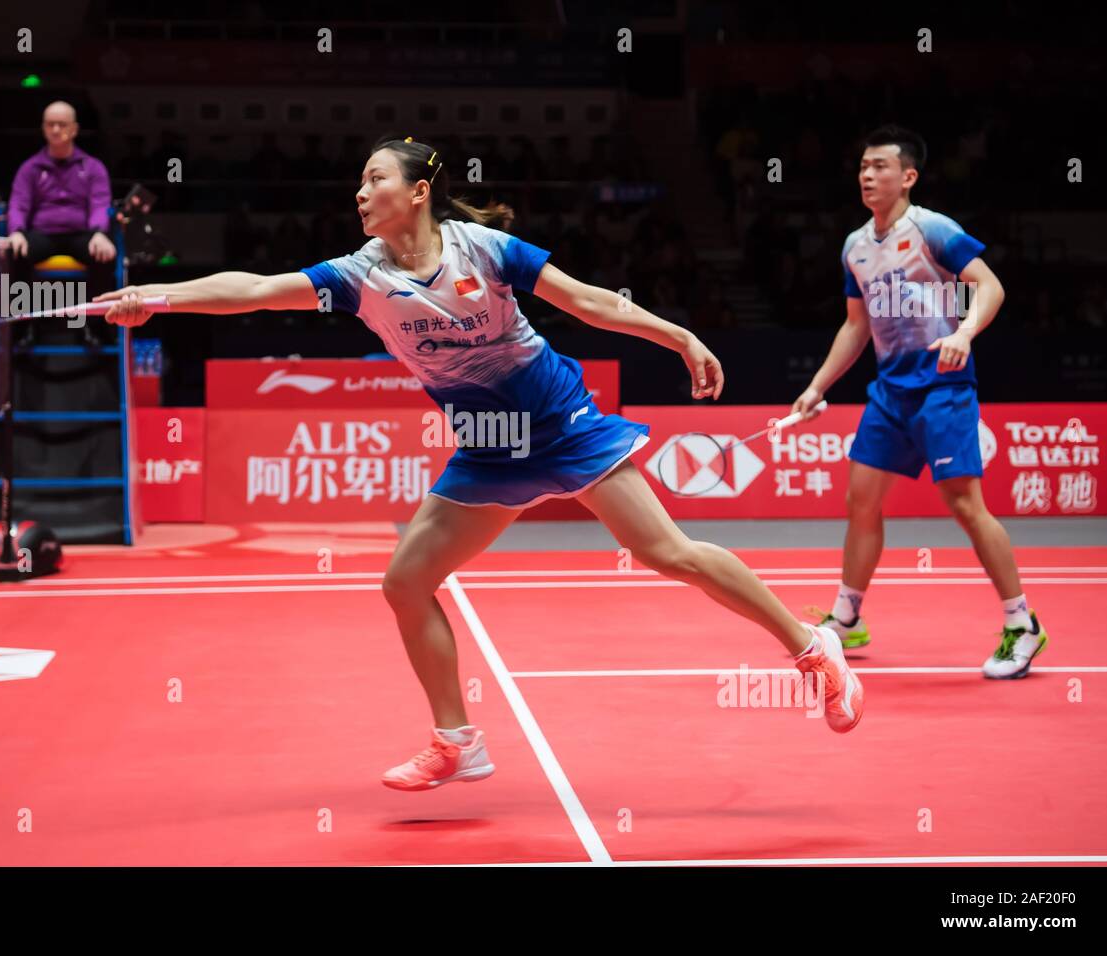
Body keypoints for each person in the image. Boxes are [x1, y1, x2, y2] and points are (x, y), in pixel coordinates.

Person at [96, 135, 865, 791]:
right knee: (404, 582)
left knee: (665, 552)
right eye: (360, 180)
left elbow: (591, 301)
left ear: (419, 190)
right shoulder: (362, 276)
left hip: (562, 425)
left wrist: (680, 337)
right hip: (489, 449)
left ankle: (812, 646)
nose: (361, 191)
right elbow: (257, 291)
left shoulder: (485, 250)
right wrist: (158, 295)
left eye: (376, 178)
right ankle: (458, 742)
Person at [791, 125, 1050, 679]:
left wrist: (965, 333)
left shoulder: (933, 229)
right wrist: (817, 386)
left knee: (964, 505)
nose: (868, 175)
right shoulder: (854, 246)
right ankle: (847, 617)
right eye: (863, 166)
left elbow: (989, 286)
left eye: (880, 166)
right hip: (890, 392)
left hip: (943, 386)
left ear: (907, 176)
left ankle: (1022, 623)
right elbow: (855, 326)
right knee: (861, 500)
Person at [6, 101, 116, 273]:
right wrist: (17, 231)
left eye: (62, 125)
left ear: (74, 129)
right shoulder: (30, 168)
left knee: (104, 253)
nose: (56, 130)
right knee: (14, 252)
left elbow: (100, 204)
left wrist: (99, 232)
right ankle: (20, 301)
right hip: (42, 234)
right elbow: (18, 204)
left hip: (81, 234)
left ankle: (97, 301)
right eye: (50, 124)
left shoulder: (93, 167)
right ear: (43, 128)